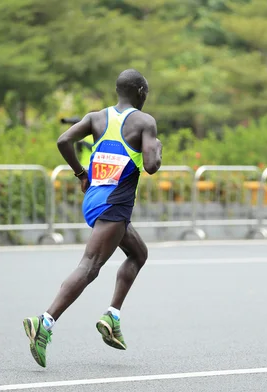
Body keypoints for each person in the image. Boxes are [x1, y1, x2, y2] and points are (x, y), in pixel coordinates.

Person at [23, 69, 162, 368]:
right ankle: (44, 322)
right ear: (140, 91)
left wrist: (80, 173)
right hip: (115, 204)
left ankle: (112, 316)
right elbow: (151, 166)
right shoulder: (144, 122)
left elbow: (63, 141)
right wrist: (157, 148)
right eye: (146, 91)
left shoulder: (97, 117)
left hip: (96, 200)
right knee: (89, 267)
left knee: (138, 254)